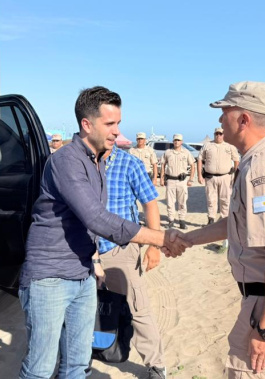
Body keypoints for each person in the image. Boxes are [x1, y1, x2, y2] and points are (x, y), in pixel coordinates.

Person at [18, 86, 188, 379]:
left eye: (118, 123)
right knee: (40, 369)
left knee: (77, 364)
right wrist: (160, 239)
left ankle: (155, 364)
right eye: (110, 123)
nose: (117, 131)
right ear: (87, 124)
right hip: (50, 277)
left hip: (83, 271)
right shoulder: (67, 160)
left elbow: (93, 221)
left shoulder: (96, 160)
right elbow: (96, 218)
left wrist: (94, 260)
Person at [183, 81, 265, 379]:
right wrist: (187, 239)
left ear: (243, 119)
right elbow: (238, 223)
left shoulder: (260, 169)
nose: (220, 120)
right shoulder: (259, 160)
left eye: (225, 112)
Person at [99, 145, 166, 379]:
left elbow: (150, 204)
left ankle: (156, 365)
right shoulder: (82, 162)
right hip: (85, 251)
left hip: (120, 250)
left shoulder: (130, 163)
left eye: (115, 128)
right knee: (84, 307)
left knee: (136, 308)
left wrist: (154, 245)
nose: (112, 132)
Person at [197, 127, 239, 225]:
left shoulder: (230, 146)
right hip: (210, 177)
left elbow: (236, 160)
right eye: (216, 134)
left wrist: (235, 174)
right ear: (214, 134)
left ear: (224, 135)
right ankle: (211, 219)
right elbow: (199, 159)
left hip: (225, 177)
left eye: (220, 134)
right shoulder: (207, 145)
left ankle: (224, 220)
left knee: (225, 199)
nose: (218, 136)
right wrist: (199, 175)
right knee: (211, 199)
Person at [160, 134, 195, 229]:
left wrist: (191, 179)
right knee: (170, 202)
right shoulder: (168, 152)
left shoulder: (186, 153)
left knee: (182, 202)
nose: (176, 142)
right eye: (175, 140)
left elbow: (193, 165)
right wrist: (162, 178)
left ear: (181, 142)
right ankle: (171, 220)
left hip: (182, 181)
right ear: (173, 141)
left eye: (178, 140)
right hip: (170, 180)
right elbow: (163, 165)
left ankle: (182, 221)